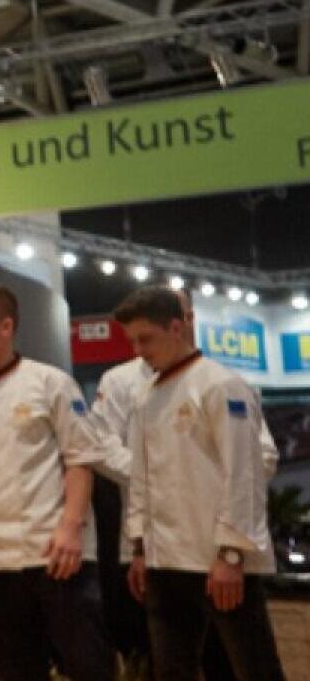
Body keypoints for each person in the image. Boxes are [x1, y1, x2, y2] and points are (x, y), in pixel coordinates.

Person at [0, 283, 112, 681]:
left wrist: (71, 528)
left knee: (87, 665)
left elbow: (80, 459)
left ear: (7, 327)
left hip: (55, 554)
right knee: (14, 670)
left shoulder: (50, 382)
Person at [117, 287, 285, 681]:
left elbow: (244, 474)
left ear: (176, 328)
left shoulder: (221, 385)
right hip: (164, 560)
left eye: (146, 339)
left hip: (218, 560)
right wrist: (140, 547)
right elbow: (141, 476)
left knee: (254, 669)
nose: (139, 351)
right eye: (133, 341)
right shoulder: (145, 395)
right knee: (171, 671)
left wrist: (231, 554)